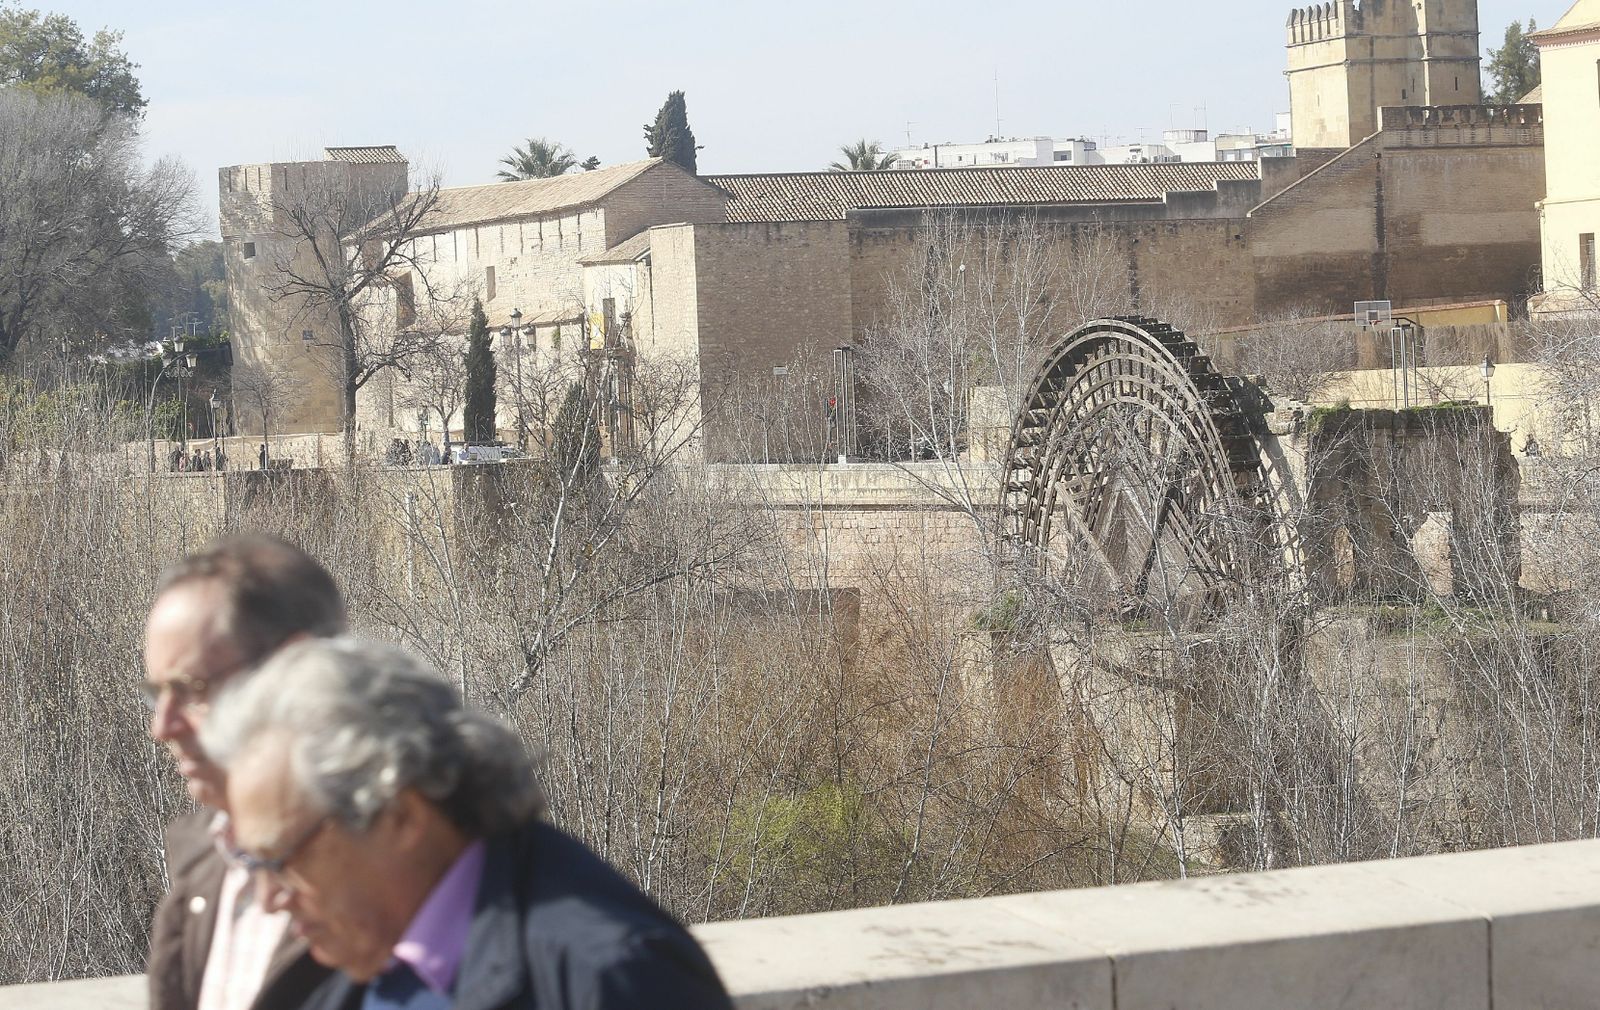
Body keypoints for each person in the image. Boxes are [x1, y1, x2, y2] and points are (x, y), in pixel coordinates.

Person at [201, 639, 733, 1010]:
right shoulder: (345, 962)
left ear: (400, 816)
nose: (269, 898)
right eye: (250, 861)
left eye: (285, 858)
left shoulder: (615, 979)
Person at [143, 536, 349, 1010]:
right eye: (157, 694)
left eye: (191, 690)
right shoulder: (204, 861)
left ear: (293, 670)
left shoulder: (385, 877)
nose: (162, 727)